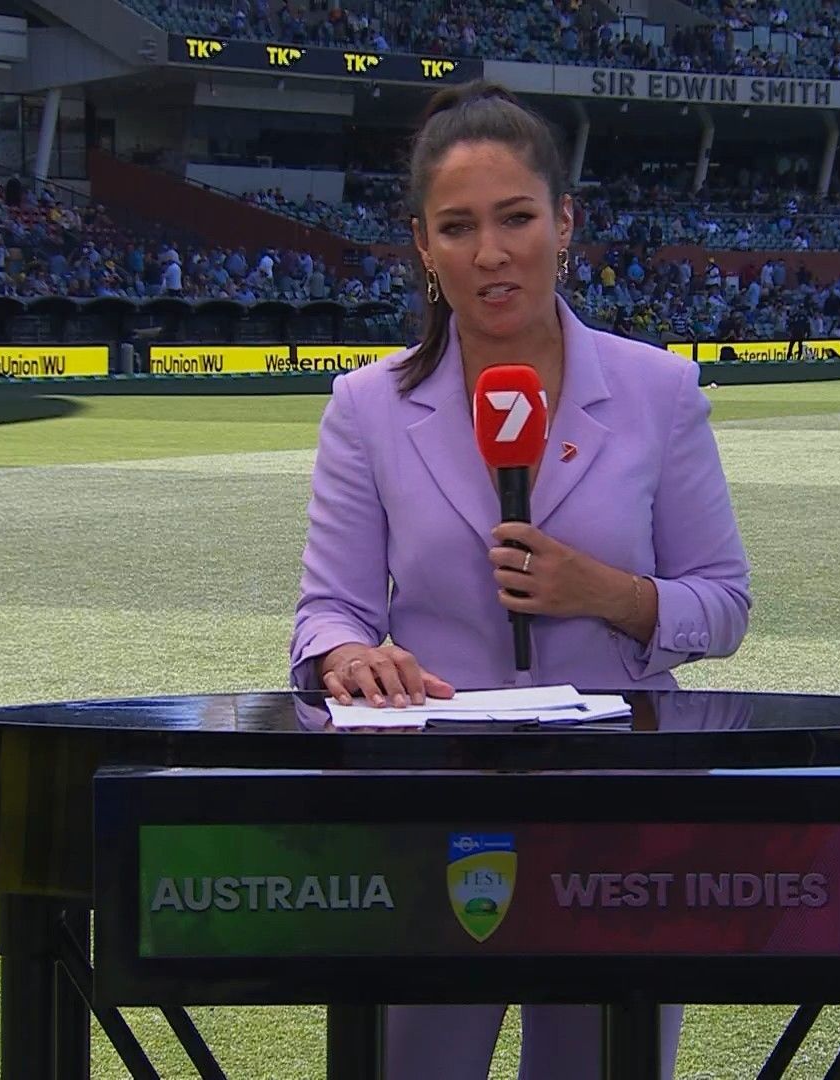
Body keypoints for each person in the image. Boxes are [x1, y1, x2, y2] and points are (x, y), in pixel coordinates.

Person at [289, 80, 752, 1080]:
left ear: (564, 222)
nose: (490, 253)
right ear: (423, 245)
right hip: (428, 804)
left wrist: (608, 593)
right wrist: (346, 657)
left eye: (516, 219)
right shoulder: (366, 407)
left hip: (618, 810)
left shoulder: (659, 390)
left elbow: (723, 603)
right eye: (458, 227)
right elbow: (328, 610)